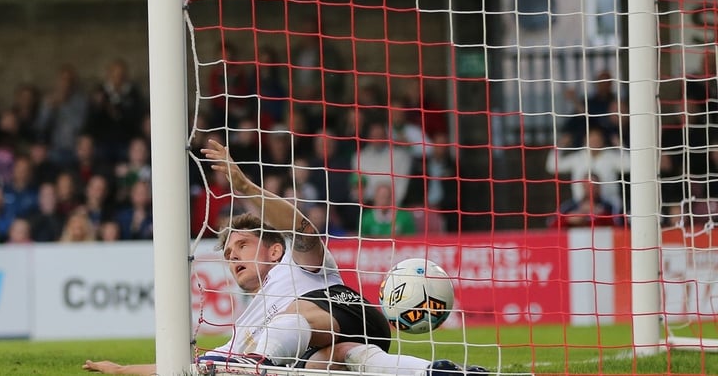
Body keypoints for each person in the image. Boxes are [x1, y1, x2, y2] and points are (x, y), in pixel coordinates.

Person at [83, 139, 487, 376]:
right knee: (336, 361)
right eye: (226, 253)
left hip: (347, 310)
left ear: (274, 250)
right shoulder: (248, 323)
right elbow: (187, 366)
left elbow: (302, 227)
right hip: (329, 345)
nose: (232, 256)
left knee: (283, 323)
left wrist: (244, 186)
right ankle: (442, 372)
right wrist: (122, 371)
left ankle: (254, 365)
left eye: (241, 245)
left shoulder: (298, 263)